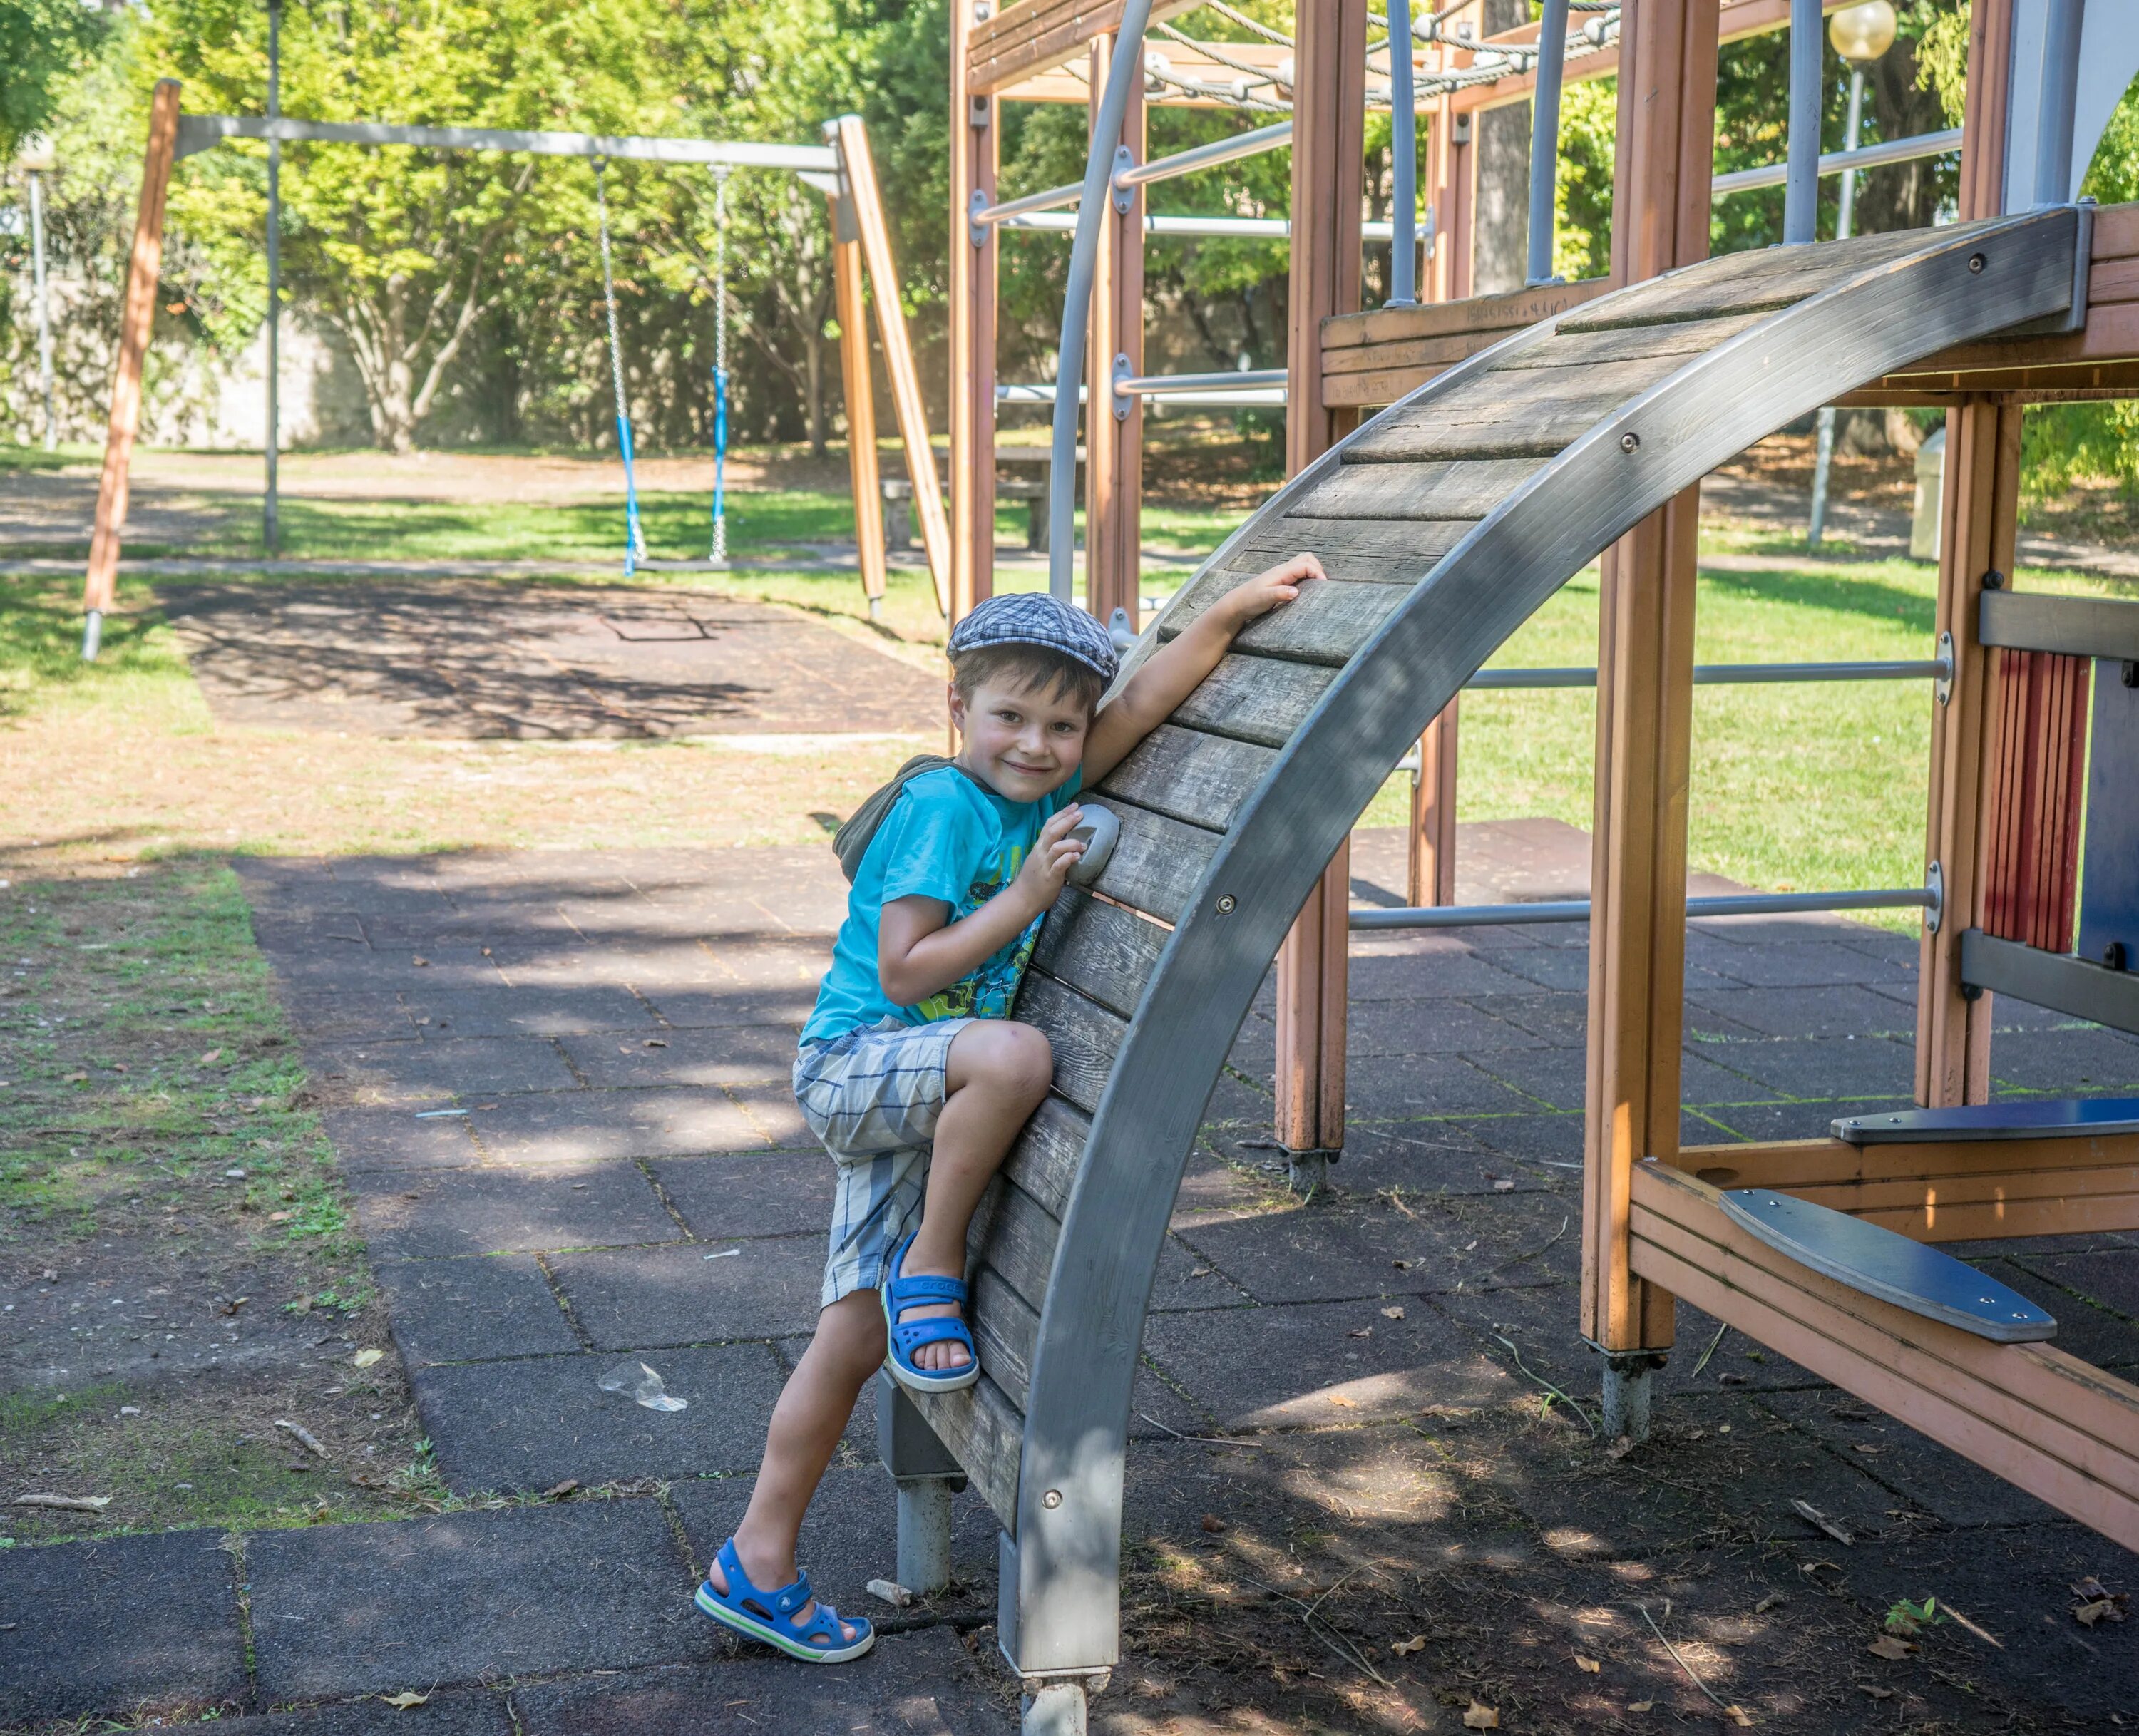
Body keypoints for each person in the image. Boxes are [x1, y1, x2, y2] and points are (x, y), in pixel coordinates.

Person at [694, 559, 1323, 1663]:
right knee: (1018, 1054)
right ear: (958, 709)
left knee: (847, 1336)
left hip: (922, 1072)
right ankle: (928, 1267)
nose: (1037, 745)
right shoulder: (946, 803)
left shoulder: (1036, 783)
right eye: (1010, 717)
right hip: (863, 1060)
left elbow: (1130, 706)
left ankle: (756, 1561)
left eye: (1059, 728)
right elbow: (902, 974)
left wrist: (1223, 612)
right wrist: (1030, 895)